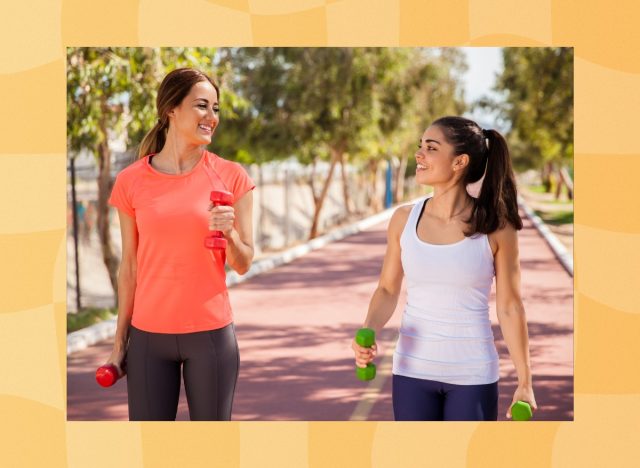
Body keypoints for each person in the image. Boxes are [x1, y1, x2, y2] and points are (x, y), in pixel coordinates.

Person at [352, 116, 538, 421]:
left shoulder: (496, 227)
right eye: (420, 146)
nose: (419, 154)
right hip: (411, 369)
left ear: (459, 161)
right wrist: (369, 328)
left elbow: (510, 307)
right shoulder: (403, 220)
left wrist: (525, 381)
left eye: (431, 147)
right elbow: (387, 289)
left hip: (473, 374)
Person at [103, 68, 255, 421]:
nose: (211, 117)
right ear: (172, 109)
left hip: (211, 338)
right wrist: (118, 344)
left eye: (216, 109)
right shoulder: (131, 181)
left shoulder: (232, 176)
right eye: (202, 106)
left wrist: (229, 233)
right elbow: (130, 268)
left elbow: (244, 262)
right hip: (147, 340)